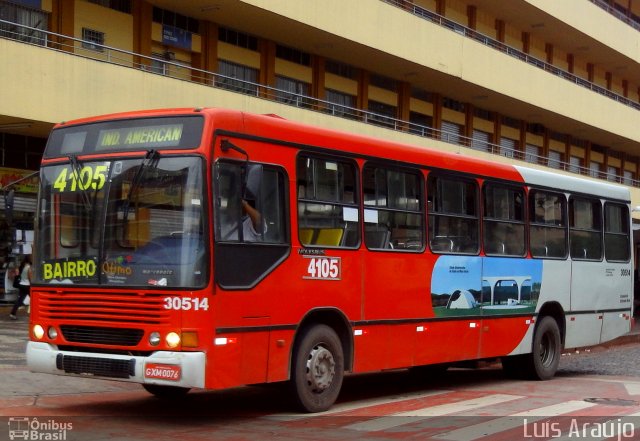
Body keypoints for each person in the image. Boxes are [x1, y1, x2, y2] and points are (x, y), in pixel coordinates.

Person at [10, 255, 32, 320]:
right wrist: (32, 284)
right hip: (27, 285)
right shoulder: (28, 267)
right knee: (34, 298)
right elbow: (30, 277)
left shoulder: (22, 266)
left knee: (19, 300)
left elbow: (18, 274)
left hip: (21, 285)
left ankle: (12, 313)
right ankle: (33, 313)